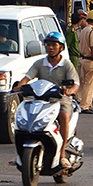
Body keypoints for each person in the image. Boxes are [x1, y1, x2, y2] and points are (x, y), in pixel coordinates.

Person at [12, 31, 79, 167]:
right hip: (41, 98)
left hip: (60, 99)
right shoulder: (39, 63)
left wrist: (69, 91)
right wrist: (20, 86)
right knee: (25, 113)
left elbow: (76, 84)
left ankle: (61, 154)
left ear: (61, 47)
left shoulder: (66, 65)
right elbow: (28, 77)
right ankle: (21, 154)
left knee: (64, 115)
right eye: (48, 45)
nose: (51, 47)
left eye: (54, 45)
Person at [76, 9, 93, 114]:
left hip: (82, 59)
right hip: (90, 60)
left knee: (83, 83)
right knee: (89, 84)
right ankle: (85, 106)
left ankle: (83, 103)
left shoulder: (83, 30)